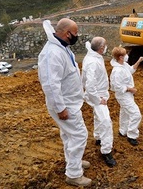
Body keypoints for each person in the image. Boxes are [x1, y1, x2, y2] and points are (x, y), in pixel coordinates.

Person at [38, 19, 92, 187]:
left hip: (71, 102)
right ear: (67, 33)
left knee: (69, 134)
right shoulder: (52, 53)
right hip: (64, 104)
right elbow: (50, 84)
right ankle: (74, 174)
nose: (77, 37)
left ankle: (73, 162)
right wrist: (60, 108)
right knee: (79, 135)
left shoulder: (62, 48)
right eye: (75, 33)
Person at [81, 37, 117, 167]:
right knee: (106, 122)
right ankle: (106, 151)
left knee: (98, 116)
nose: (106, 47)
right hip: (97, 95)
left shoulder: (92, 55)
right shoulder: (93, 62)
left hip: (97, 93)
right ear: (101, 48)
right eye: (105, 45)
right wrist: (98, 99)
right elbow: (90, 84)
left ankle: (98, 137)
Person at [110, 46, 143, 146]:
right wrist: (130, 89)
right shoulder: (117, 71)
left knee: (124, 112)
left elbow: (131, 70)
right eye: (125, 54)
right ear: (120, 57)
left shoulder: (123, 65)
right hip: (123, 95)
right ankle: (132, 135)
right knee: (136, 114)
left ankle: (123, 130)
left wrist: (138, 61)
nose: (127, 56)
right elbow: (116, 86)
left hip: (127, 95)